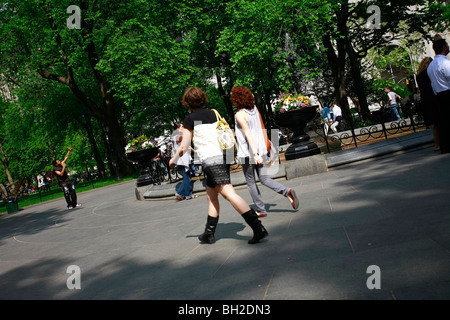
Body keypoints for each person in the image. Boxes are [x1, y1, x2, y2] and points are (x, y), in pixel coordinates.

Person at [169, 87, 268, 244]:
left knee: (230, 194)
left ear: (187, 102)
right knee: (211, 196)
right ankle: (209, 233)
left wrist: (173, 159)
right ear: (203, 98)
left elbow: (184, 145)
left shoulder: (190, 119)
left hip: (211, 160)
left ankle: (258, 228)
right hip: (222, 157)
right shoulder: (213, 113)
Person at [231, 86, 299, 217]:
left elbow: (248, 134)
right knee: (264, 178)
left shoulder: (240, 114)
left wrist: (255, 154)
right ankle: (287, 191)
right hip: (260, 148)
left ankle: (261, 210)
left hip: (248, 152)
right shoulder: (254, 110)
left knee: (251, 181)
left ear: (236, 99)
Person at [427, 34, 450, 154]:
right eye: (447, 45)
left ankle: (445, 146)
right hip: (447, 93)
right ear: (444, 47)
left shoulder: (431, 66)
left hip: (439, 96)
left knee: (444, 122)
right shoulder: (445, 63)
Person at [417, 57, 440, 151]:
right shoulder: (429, 72)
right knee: (439, 121)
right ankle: (441, 143)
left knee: (435, 124)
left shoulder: (418, 75)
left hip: (425, 99)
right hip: (434, 97)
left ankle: (437, 145)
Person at [172, 123, 197, 201]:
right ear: (177, 128)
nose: (183, 128)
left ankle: (183, 194)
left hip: (180, 159)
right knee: (187, 178)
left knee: (187, 177)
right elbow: (186, 147)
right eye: (181, 127)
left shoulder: (174, 137)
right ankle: (184, 194)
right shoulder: (181, 137)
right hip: (184, 159)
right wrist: (195, 151)